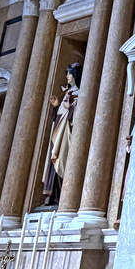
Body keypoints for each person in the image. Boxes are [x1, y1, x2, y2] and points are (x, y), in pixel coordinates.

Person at [42, 63, 81, 206]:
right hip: (58, 131)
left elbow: (80, 115)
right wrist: (57, 106)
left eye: (69, 74)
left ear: (75, 75)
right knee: (54, 159)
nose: (67, 77)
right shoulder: (66, 93)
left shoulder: (79, 93)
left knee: (62, 159)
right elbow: (59, 115)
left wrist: (69, 108)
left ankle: (61, 196)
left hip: (66, 133)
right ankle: (50, 196)